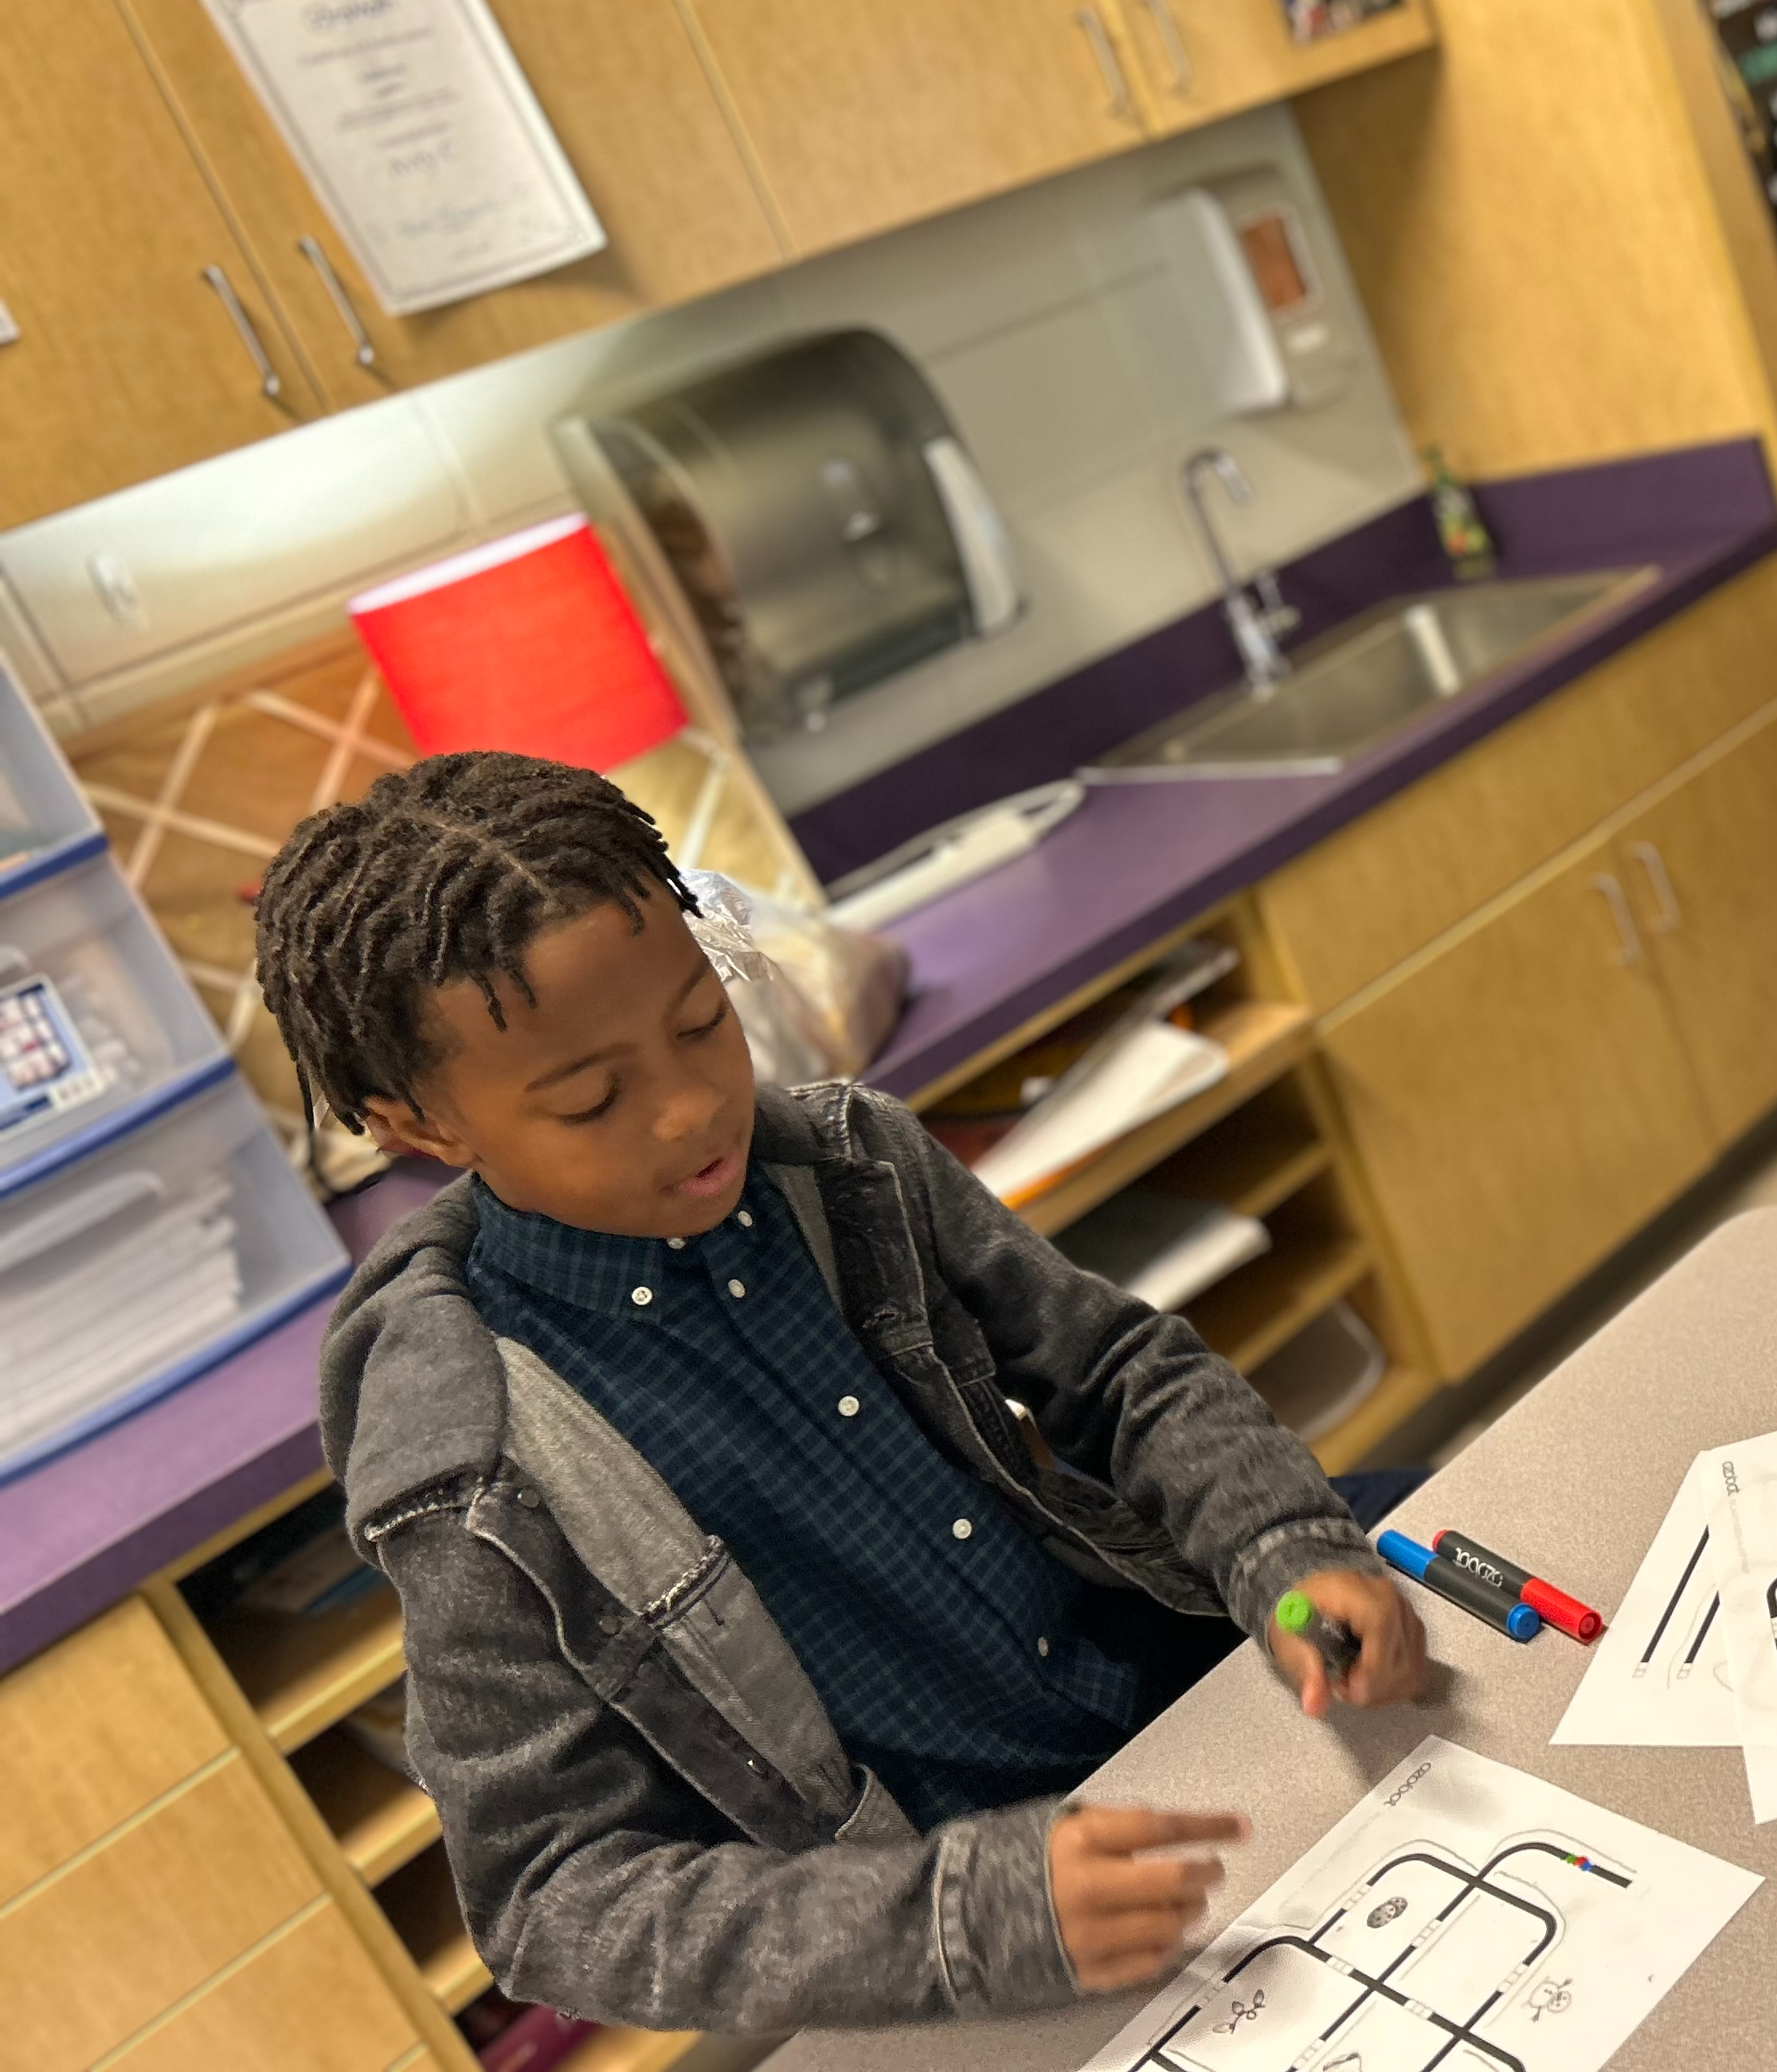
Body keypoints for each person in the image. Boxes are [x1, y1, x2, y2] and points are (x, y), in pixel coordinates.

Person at [255, 751, 1431, 2031]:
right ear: (418, 1122)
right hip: (955, 1925)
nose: (695, 1106)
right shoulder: (470, 1456)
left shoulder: (850, 1159)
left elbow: (1117, 1370)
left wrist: (1280, 1542)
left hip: (1192, 1696)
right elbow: (549, 1895)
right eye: (594, 1099)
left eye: (703, 1019)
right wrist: (948, 1920)